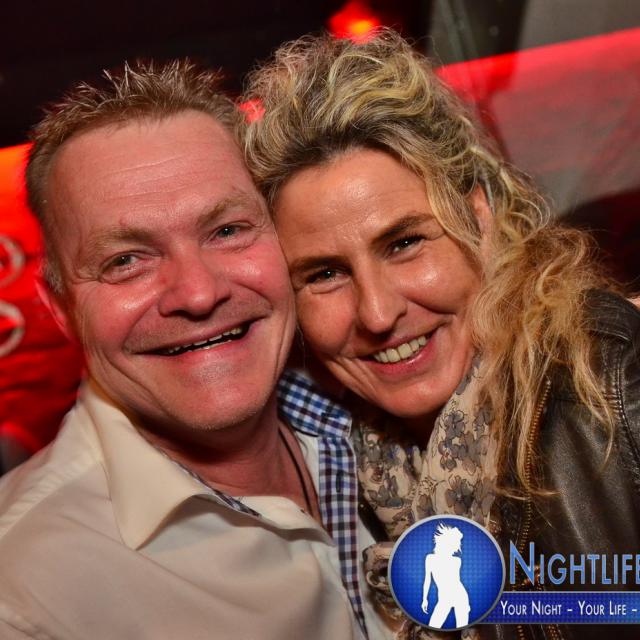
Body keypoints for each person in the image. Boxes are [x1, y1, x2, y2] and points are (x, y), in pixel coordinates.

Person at [241, 29, 640, 639]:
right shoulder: (341, 471)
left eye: (404, 243)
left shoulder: (608, 382)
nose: (377, 313)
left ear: (478, 219)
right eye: (324, 274)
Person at [0, 60, 394, 640]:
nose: (199, 293)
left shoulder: (389, 408)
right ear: (61, 308)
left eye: (227, 230)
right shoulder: (25, 594)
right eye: (125, 260)